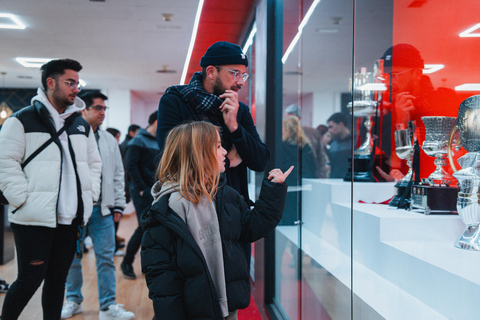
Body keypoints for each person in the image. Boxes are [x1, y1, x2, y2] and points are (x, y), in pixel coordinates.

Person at [141, 121, 291, 320]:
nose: (224, 152)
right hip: (191, 311)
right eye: (218, 146)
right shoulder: (166, 209)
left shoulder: (225, 195)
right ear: (199, 153)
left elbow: (252, 228)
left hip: (227, 304)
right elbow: (161, 277)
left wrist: (273, 191)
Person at [0, 58, 102, 320]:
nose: (76, 89)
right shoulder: (21, 120)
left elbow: (94, 163)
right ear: (50, 82)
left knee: (57, 282)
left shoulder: (80, 125)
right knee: (29, 280)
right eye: (70, 82)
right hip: (34, 218)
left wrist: (89, 196)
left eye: (77, 83)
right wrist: (21, 198)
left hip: (69, 220)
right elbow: (4, 162)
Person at [157, 41, 270, 266]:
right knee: (197, 284)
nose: (240, 81)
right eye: (234, 73)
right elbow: (172, 157)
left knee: (235, 288)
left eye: (244, 75)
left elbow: (260, 160)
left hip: (233, 212)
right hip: (191, 209)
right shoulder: (175, 101)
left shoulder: (240, 110)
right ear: (211, 72)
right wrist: (230, 157)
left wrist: (234, 128)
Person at [61, 92, 134, 320]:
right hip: (74, 211)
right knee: (72, 259)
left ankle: (107, 305)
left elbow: (118, 174)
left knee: (106, 259)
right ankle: (73, 300)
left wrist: (119, 205)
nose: (103, 112)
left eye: (104, 108)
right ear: (84, 110)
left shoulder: (109, 140)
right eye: (98, 108)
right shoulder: (69, 136)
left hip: (103, 211)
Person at [376, 43, 460, 181]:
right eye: (386, 76)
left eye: (395, 75)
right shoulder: (384, 114)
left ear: (417, 74)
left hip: (442, 186)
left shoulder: (442, 101)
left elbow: (459, 151)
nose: (390, 81)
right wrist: (400, 123)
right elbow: (387, 166)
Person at [120, 111, 160, 279]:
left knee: (152, 227)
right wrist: (142, 188)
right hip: (142, 190)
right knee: (144, 226)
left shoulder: (159, 141)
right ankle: (127, 262)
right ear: (157, 121)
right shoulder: (138, 139)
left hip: (156, 189)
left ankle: (148, 264)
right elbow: (130, 165)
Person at [279, 116, 317, 225]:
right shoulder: (305, 146)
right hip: (304, 187)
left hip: (288, 188)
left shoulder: (281, 147)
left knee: (286, 222)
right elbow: (313, 167)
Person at [285, 104, 330, 178]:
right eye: (288, 117)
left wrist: (321, 176)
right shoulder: (283, 134)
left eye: (292, 117)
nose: (290, 121)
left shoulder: (312, 133)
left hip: (309, 175)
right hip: (290, 176)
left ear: (298, 118)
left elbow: (321, 155)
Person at [106, 127, 126, 256]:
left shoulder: (118, 148)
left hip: (115, 195)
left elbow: (120, 173)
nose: (118, 140)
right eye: (117, 137)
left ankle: (113, 245)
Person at [327, 112, 353, 178]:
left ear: (340, 124)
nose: (329, 130)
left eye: (331, 127)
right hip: (334, 183)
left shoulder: (356, 142)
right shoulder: (333, 144)